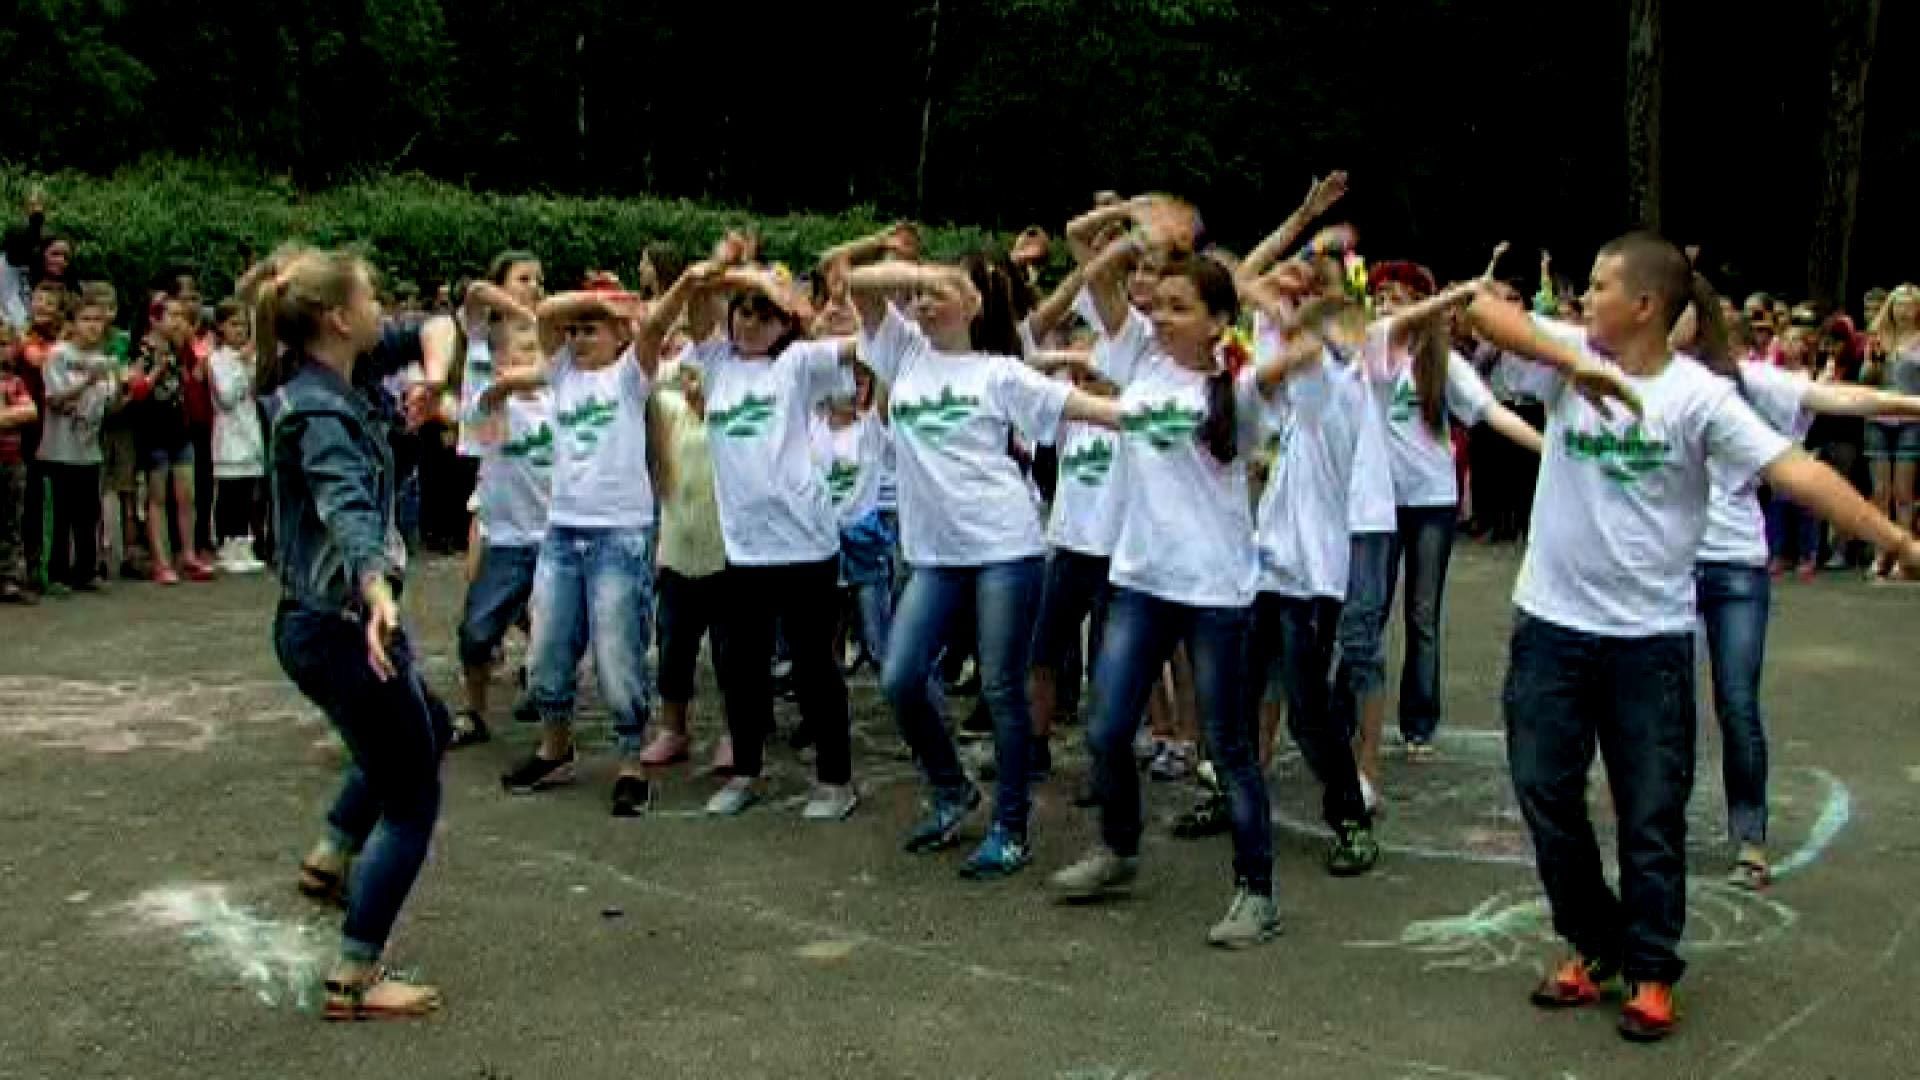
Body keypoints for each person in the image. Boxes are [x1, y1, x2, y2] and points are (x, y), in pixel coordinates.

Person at [1465, 231, 1920, 1042]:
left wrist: (1898, 541)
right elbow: (1482, 313)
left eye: (1600, 286)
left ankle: (1647, 968)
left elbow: (1798, 472)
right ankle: (1596, 942)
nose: (1583, 300)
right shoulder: (1570, 351)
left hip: (1649, 641)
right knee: (1542, 789)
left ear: (1644, 305)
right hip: (1551, 628)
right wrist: (1574, 368)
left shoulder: (1698, 397)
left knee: (1650, 811)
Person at [843, 246, 1123, 879]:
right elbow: (857, 281)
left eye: (947, 290)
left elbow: (1083, 408)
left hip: (1005, 546)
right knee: (901, 675)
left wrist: (1157, 416)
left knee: (1002, 689)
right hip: (935, 555)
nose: (925, 298)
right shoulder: (903, 353)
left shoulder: (999, 371)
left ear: (975, 303)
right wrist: (921, 275)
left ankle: (1011, 826)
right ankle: (951, 789)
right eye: (920, 292)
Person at [1047, 223, 1280, 948]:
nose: (1161, 313)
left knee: (1230, 750)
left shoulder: (1238, 388)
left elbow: (1292, 368)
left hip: (1215, 592)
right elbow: (1094, 275)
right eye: (1160, 302)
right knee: (1108, 728)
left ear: (1217, 321)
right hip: (1140, 578)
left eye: (1181, 305)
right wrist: (1136, 235)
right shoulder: (1137, 358)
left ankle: (1256, 891)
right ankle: (1119, 848)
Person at [246, 244, 456, 1021]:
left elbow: (437, 323)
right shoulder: (322, 412)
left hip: (321, 627)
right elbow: (346, 508)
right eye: (371, 298)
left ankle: (330, 854)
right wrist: (377, 589)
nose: (383, 310)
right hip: (343, 629)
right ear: (337, 318)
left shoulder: (340, 374)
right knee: (411, 798)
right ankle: (354, 976)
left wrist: (433, 381)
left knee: (427, 726)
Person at [656, 259, 861, 822]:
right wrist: (724, 274)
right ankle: (746, 772)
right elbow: (698, 307)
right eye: (741, 311)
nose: (747, 322)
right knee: (740, 667)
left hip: (804, 544)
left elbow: (857, 345)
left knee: (814, 668)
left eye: (762, 314)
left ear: (784, 323)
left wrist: (794, 300)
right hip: (743, 548)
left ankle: (836, 780)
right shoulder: (717, 362)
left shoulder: (796, 363)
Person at [496, 275, 684, 818]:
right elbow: (547, 310)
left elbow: (653, 327)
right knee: (548, 649)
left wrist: (627, 313)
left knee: (617, 653)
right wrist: (596, 303)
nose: (577, 338)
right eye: (573, 332)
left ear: (618, 337)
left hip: (619, 533)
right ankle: (555, 748)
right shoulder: (561, 374)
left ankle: (631, 763)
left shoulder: (630, 377)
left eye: (591, 330)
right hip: (561, 531)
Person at [452, 319, 551, 749]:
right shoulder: (491, 406)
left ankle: (550, 708)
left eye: (537, 350)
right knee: (476, 631)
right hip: (508, 540)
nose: (532, 359)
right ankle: (475, 711)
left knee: (556, 632)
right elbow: (487, 406)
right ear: (498, 360)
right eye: (522, 350)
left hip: (556, 537)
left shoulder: (560, 402)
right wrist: (502, 387)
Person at [638, 360, 732, 772]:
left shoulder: (733, 416)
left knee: (732, 654)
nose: (696, 385)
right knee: (674, 647)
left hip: (728, 555)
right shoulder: (669, 411)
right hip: (677, 552)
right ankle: (673, 729)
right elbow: (644, 376)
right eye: (689, 377)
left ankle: (736, 733)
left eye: (704, 376)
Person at [126, 294, 211, 584]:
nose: (178, 321)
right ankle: (161, 561)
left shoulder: (178, 350)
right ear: (154, 319)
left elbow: (186, 383)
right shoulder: (142, 350)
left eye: (180, 315)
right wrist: (155, 372)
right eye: (172, 315)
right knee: (157, 497)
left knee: (187, 494)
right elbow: (136, 389)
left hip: (179, 427)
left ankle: (188, 554)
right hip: (153, 429)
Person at [37, 287, 117, 593]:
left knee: (88, 514)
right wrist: (87, 381)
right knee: (61, 514)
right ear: (72, 322)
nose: (93, 326)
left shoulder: (101, 359)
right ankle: (56, 572)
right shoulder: (59, 355)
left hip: (89, 449)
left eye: (98, 320)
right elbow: (56, 399)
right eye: (86, 319)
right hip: (58, 450)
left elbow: (107, 405)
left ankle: (86, 570)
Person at [1862, 284, 1920, 578]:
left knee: (1903, 494)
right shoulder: (1878, 337)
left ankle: (1905, 555)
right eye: (1898, 304)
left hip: (1911, 420)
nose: (1904, 310)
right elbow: (1865, 377)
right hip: (1878, 417)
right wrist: (1872, 362)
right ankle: (1880, 552)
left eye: (1910, 304)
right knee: (1880, 492)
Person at [210, 299, 266, 574]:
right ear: (221, 327)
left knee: (247, 493)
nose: (240, 330)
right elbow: (226, 396)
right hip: (229, 432)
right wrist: (242, 367)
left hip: (249, 430)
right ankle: (226, 544)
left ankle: (244, 543)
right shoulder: (217, 359)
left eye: (244, 325)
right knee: (230, 493)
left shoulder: (250, 358)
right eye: (234, 324)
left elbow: (257, 393)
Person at [0, 347, 38, 603]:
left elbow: (30, 412)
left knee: (11, 522)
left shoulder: (13, 383)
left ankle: (10, 579)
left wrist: (5, 416)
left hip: (10, 462)